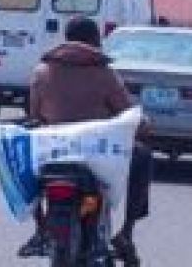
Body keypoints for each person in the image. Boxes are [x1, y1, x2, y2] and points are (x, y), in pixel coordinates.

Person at [22, 16, 152, 266]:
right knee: (143, 156)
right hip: (95, 157)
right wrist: (143, 125)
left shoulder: (41, 71)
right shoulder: (105, 73)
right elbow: (125, 113)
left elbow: (35, 116)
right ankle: (126, 233)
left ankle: (39, 226)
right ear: (95, 41)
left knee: (25, 167)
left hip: (54, 152)